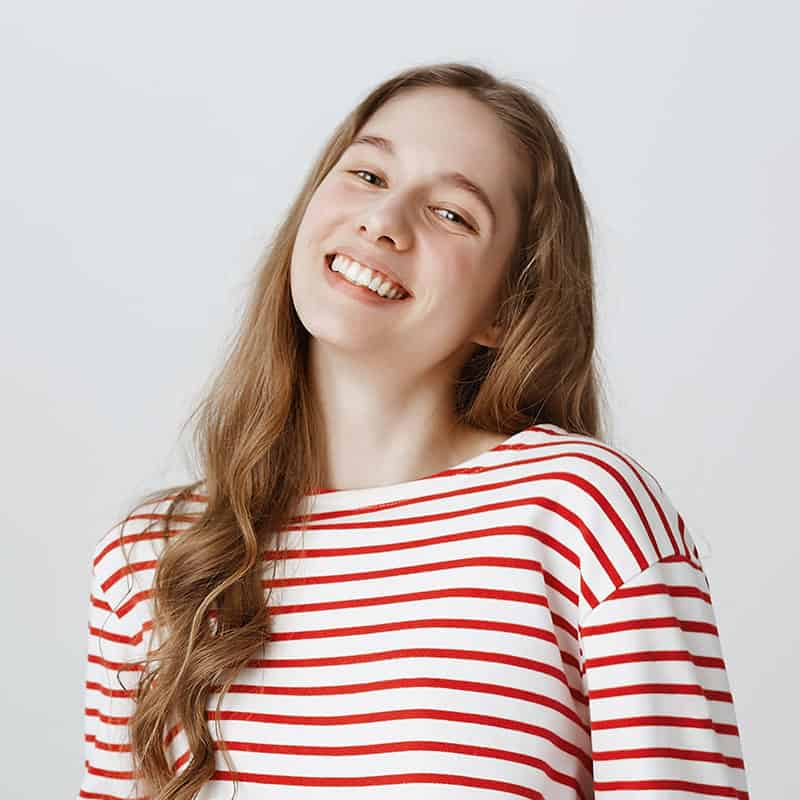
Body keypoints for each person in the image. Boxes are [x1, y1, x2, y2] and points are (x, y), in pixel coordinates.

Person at [78, 62, 749, 799]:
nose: (383, 221)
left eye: (452, 214)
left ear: (507, 309)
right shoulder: (151, 561)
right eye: (368, 175)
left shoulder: (583, 517)